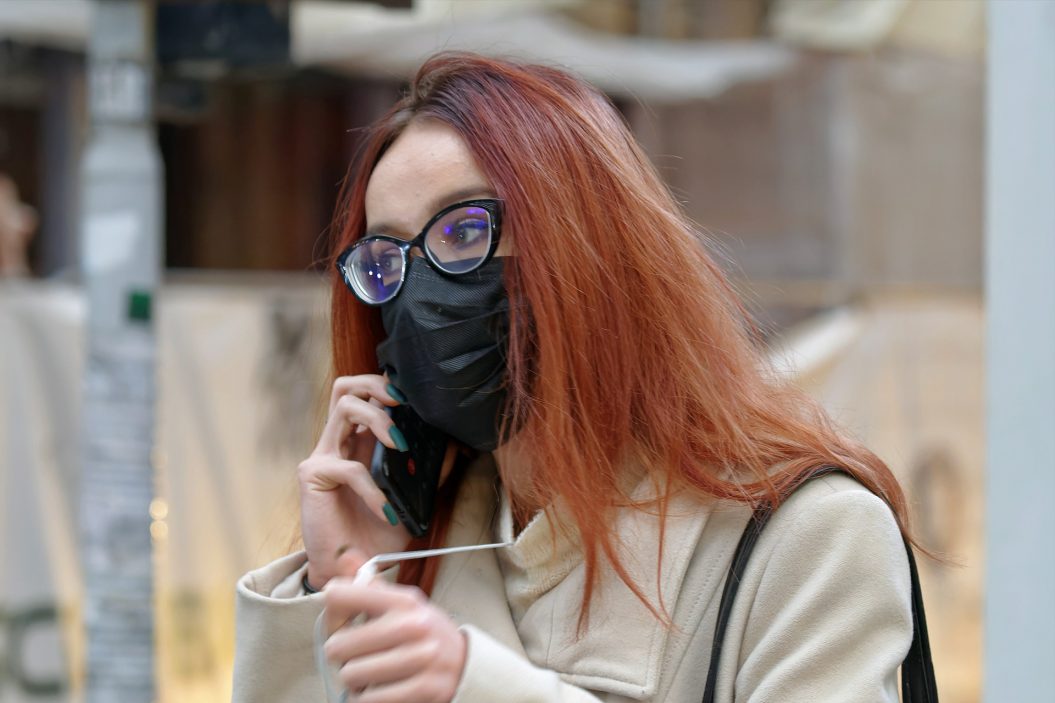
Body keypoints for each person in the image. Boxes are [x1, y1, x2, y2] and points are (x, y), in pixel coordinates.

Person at [233, 52, 919, 703]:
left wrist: (478, 685)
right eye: (385, 258)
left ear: (589, 244)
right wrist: (342, 579)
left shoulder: (806, 533)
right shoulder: (424, 543)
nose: (418, 292)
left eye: (464, 231)